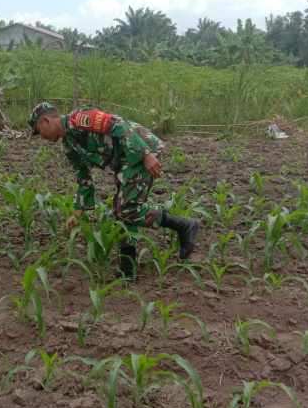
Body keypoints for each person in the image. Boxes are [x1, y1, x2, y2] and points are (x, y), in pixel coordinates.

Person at [28, 102, 200, 280]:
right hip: (124, 161)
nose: (42, 137)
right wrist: (78, 212)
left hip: (139, 149)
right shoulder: (69, 145)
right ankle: (128, 271)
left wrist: (145, 154)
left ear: (47, 121)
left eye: (39, 131)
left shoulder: (80, 118)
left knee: (128, 209)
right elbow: (83, 176)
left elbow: (118, 124)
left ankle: (184, 225)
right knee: (119, 212)